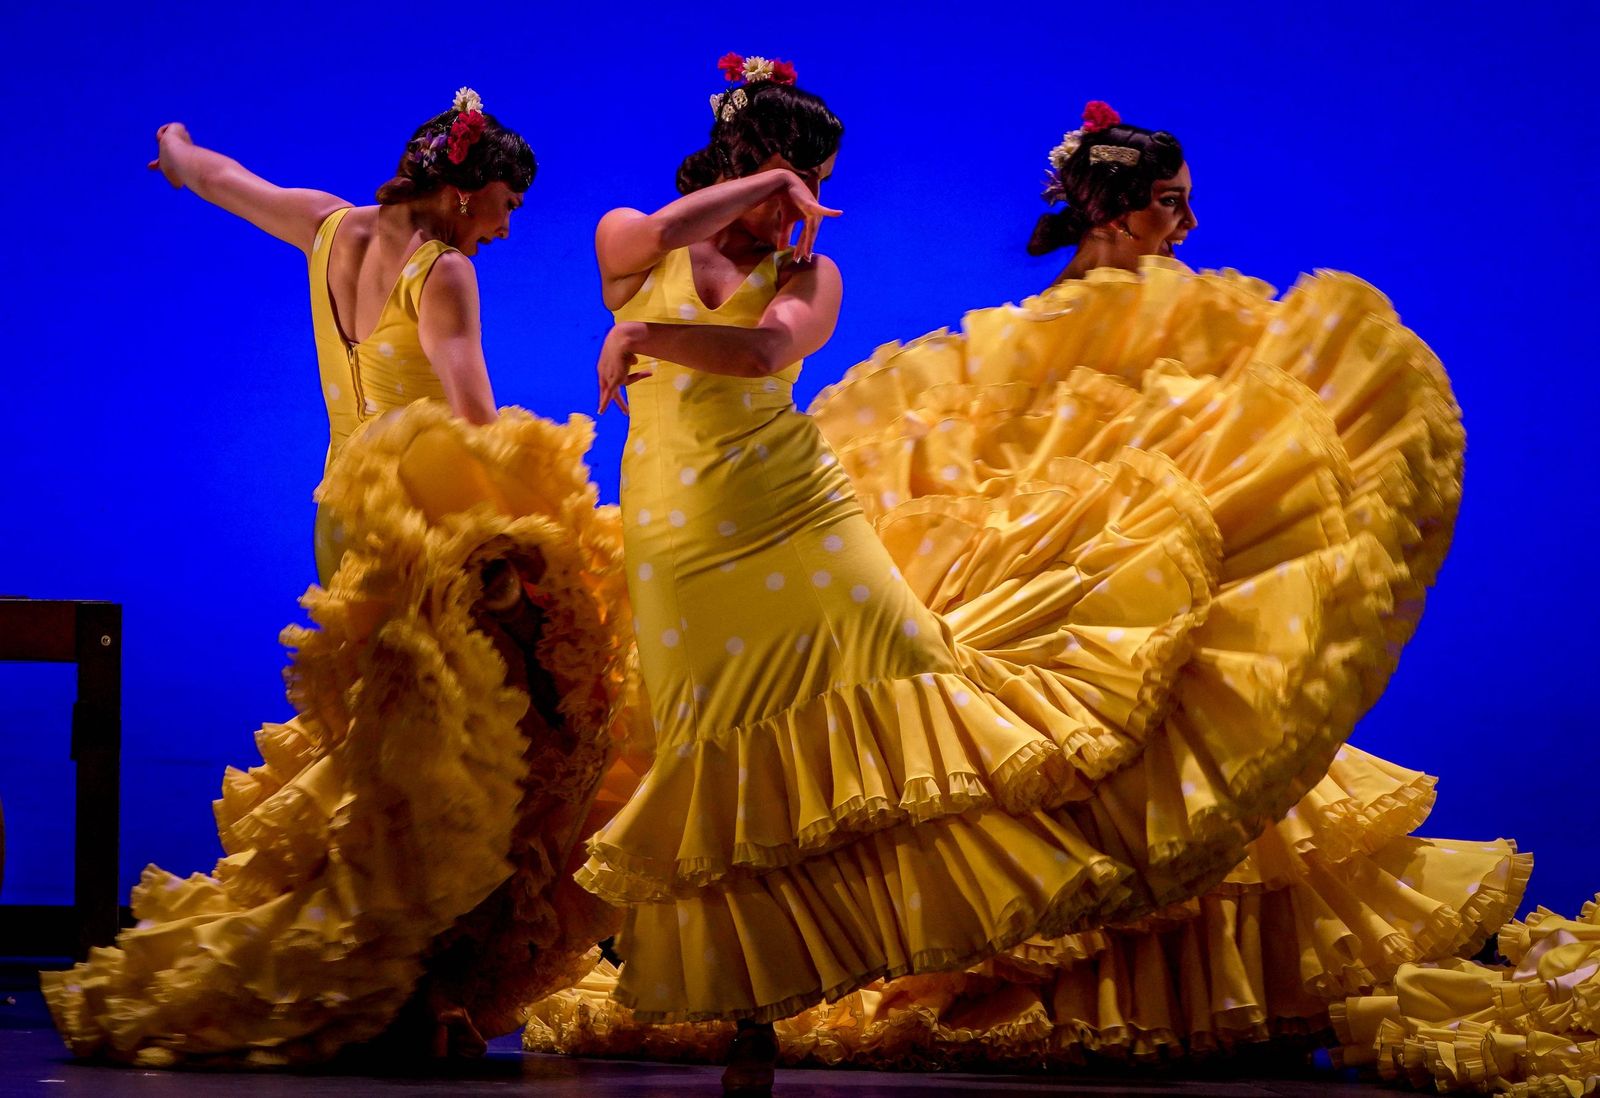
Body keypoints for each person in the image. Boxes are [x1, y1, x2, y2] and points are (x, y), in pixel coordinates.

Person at [525, 100, 1531, 1078]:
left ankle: (1050, 908)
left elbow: (769, 348)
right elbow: (646, 247)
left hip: (779, 495)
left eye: (816, 184)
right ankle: (767, 975)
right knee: (729, 723)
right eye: (1170, 201)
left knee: (967, 705)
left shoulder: (810, 272)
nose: (810, 201)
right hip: (680, 512)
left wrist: (650, 334)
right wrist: (755, 195)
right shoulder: (646, 237)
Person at [41, 89, 633, 1067]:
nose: (507, 225)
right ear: (461, 191)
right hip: (426, 522)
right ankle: (411, 978)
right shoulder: (442, 271)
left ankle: (390, 971)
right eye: (504, 202)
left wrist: (176, 147)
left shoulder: (328, 228)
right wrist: (536, 528)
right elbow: (473, 412)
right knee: (464, 760)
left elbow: (225, 182)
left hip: (342, 519)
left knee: (386, 751)